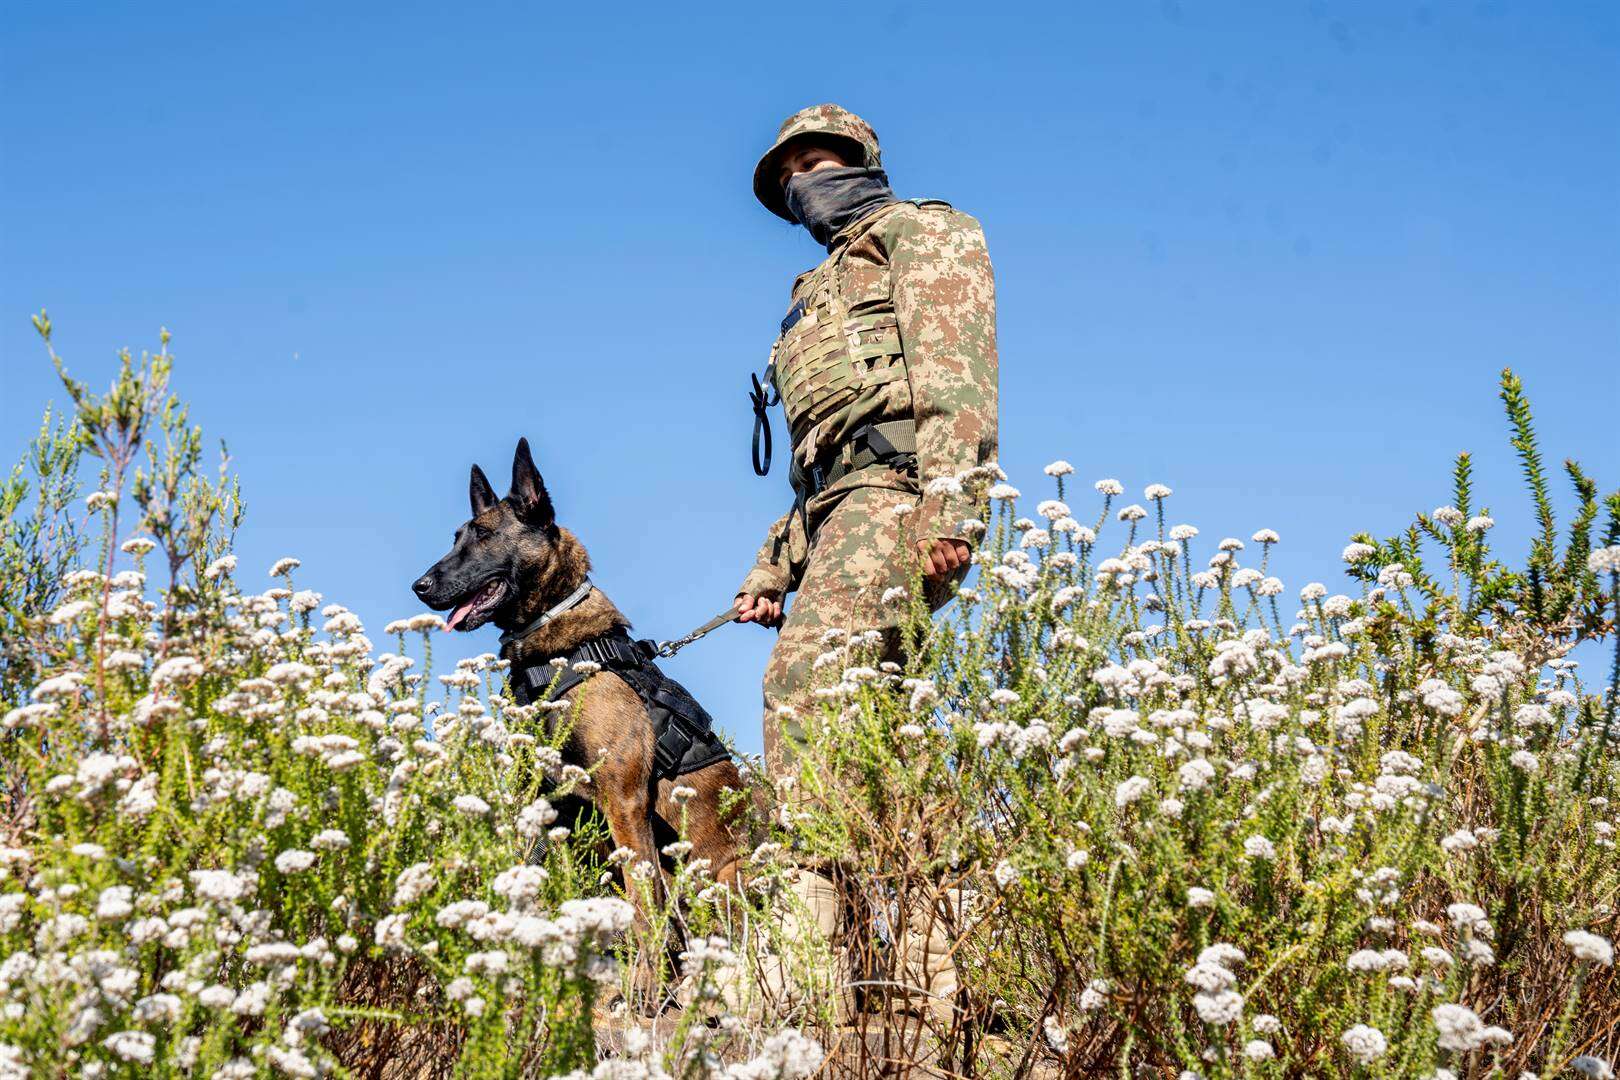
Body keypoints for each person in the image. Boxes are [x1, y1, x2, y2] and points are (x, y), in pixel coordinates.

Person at [732, 103, 999, 1026]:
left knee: (805, 690)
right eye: (789, 173)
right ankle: (932, 974)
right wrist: (775, 568)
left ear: (859, 161)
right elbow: (822, 465)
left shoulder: (922, 233)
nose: (805, 182)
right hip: (850, 509)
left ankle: (806, 967)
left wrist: (952, 508)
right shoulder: (816, 291)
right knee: (882, 736)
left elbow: (955, 375)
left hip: (905, 497)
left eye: (819, 162)